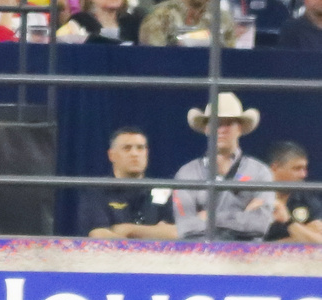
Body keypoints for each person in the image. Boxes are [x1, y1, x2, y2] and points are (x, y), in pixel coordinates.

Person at [169, 93, 275, 242]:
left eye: (228, 123)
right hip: (200, 259)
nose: (221, 129)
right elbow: (186, 228)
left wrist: (208, 217)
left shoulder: (260, 172)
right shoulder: (186, 173)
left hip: (246, 260)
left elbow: (259, 225)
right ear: (206, 128)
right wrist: (241, 216)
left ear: (240, 127)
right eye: (215, 123)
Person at [80, 128, 174, 238]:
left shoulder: (163, 190)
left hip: (159, 255)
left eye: (140, 148)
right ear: (111, 155)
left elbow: (176, 233)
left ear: (146, 153)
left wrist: (129, 230)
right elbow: (99, 235)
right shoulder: (96, 191)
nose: (134, 154)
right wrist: (154, 232)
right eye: (127, 148)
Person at [266, 141, 321, 242]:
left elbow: (319, 241)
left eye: (304, 169)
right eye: (297, 169)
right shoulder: (255, 195)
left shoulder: (306, 196)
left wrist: (288, 223)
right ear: (274, 168)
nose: (303, 175)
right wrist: (300, 235)